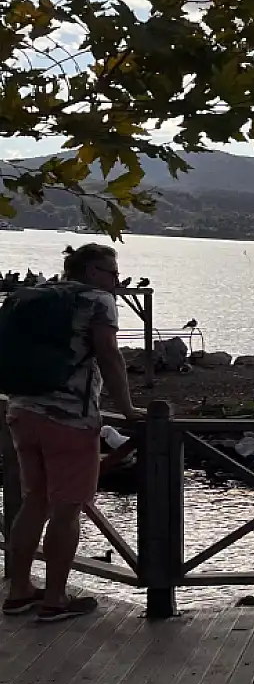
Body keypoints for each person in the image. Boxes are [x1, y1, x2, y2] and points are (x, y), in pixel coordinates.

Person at [1, 244, 140, 622]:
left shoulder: (35, 298)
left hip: (20, 410)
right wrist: (127, 409)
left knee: (34, 502)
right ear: (93, 272)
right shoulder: (98, 301)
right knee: (67, 509)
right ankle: (56, 599)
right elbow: (109, 355)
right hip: (69, 419)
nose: (117, 281)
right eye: (112, 273)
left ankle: (18, 591)